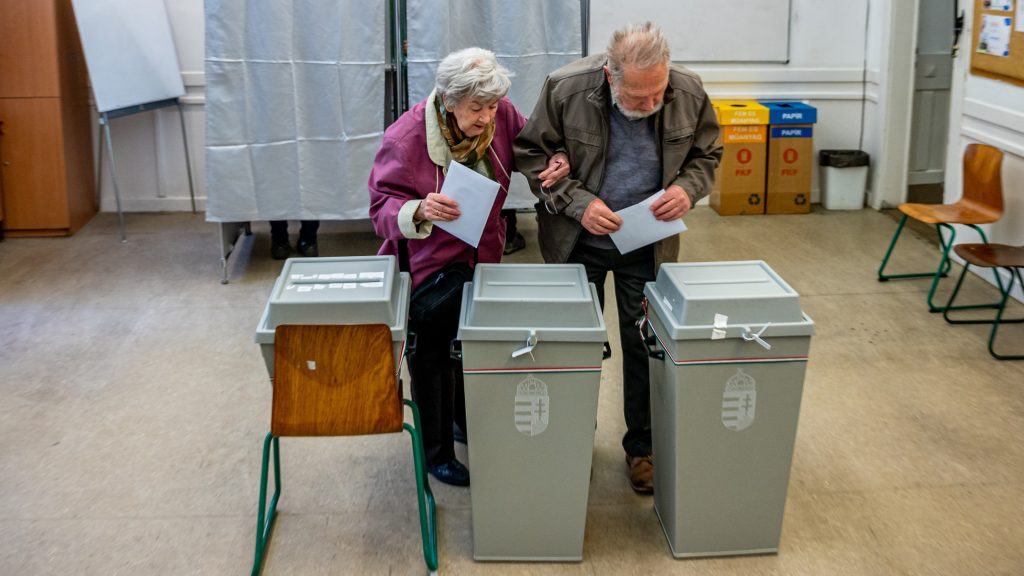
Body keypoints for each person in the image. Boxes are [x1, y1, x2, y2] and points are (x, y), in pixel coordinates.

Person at [514, 23, 721, 494]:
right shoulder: (566, 88)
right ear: (610, 76)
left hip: (647, 244)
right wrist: (578, 202)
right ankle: (571, 443)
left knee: (646, 344)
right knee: (573, 347)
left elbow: (707, 153)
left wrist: (688, 191)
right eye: (637, 97)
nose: (650, 105)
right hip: (576, 242)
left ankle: (642, 448)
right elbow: (530, 153)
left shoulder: (688, 90)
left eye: (658, 95)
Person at [368, 47, 569, 486]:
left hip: (481, 256)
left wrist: (554, 160)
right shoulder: (406, 139)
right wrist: (419, 209)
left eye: (493, 106)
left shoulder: (502, 115)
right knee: (432, 357)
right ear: (449, 100)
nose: (488, 117)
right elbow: (380, 209)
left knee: (469, 346)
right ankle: (436, 453)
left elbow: (530, 149)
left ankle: (461, 422)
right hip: (428, 267)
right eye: (477, 108)